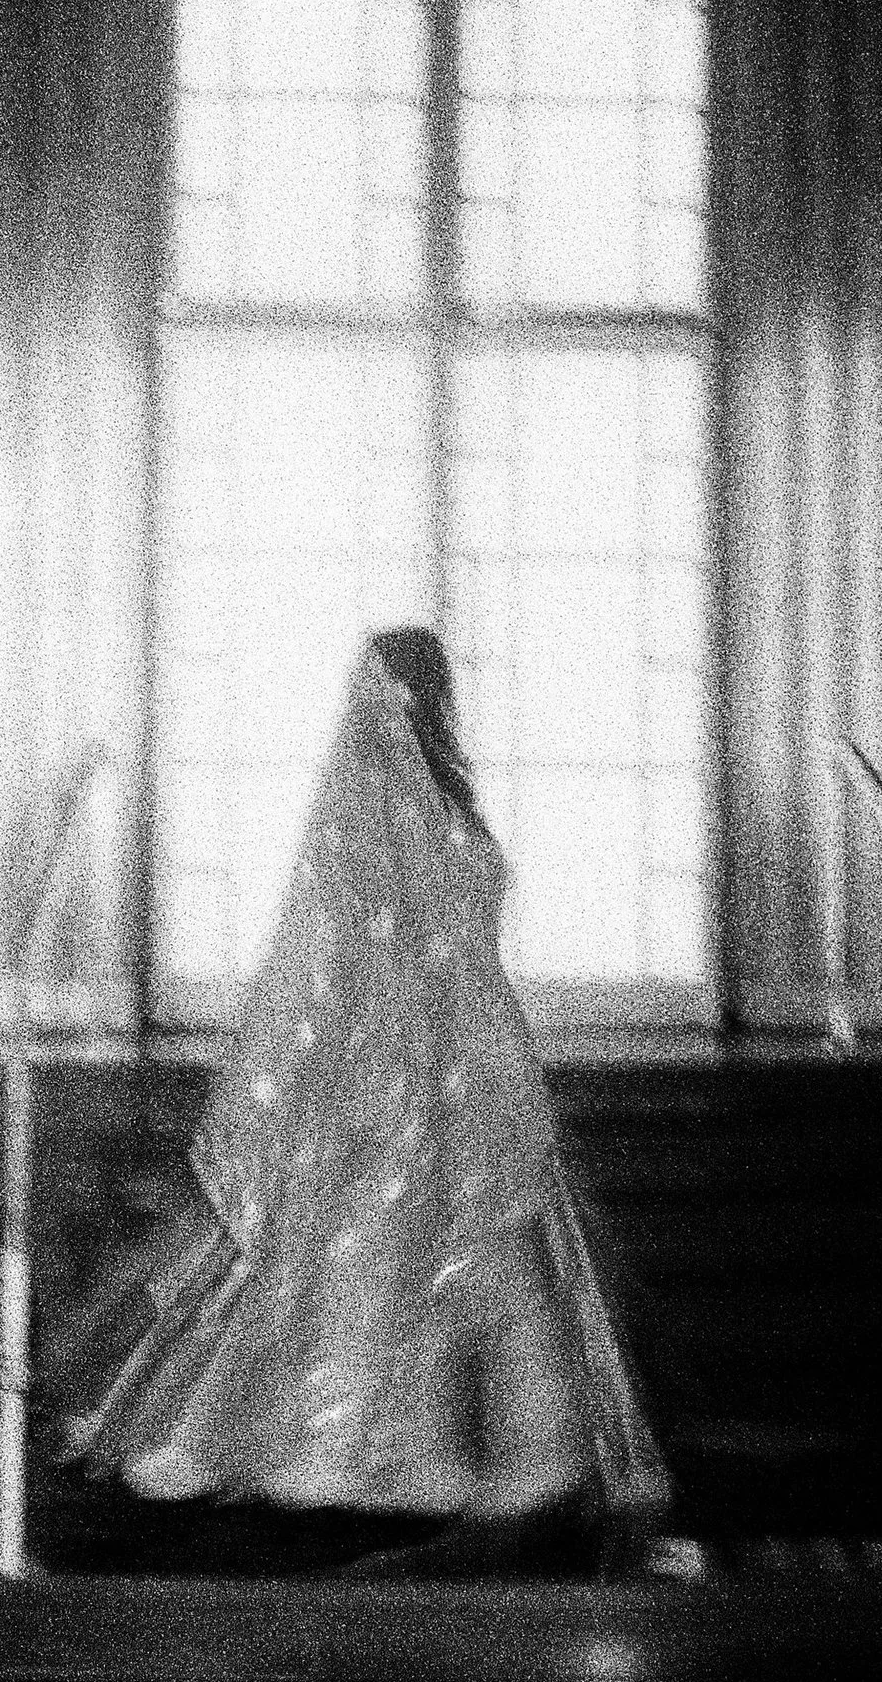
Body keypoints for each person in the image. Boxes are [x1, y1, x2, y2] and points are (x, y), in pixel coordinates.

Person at [58, 627, 670, 1527]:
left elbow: (397, 953)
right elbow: (336, 956)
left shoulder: (426, 804)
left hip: (456, 1074)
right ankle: (393, 1453)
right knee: (388, 1260)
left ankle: (482, 1455)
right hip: (408, 1077)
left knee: (469, 1263)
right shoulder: (397, 807)